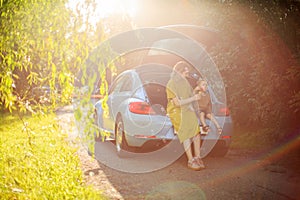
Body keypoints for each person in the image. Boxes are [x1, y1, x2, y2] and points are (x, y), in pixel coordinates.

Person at [166, 61, 205, 171]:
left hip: (187, 109)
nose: (187, 75)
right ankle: (190, 160)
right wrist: (193, 99)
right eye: (185, 72)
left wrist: (196, 91)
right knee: (186, 133)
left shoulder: (185, 82)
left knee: (196, 132)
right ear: (179, 72)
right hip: (176, 111)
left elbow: (189, 96)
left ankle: (197, 158)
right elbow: (177, 103)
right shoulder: (171, 84)